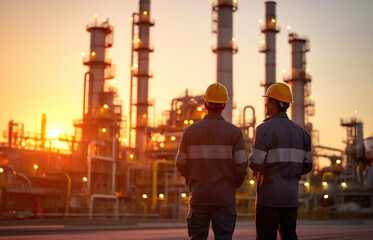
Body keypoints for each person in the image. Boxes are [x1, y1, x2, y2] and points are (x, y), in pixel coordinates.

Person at [176, 82, 248, 240]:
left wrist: (191, 181)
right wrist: (234, 184)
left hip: (199, 195)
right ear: (224, 105)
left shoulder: (190, 132)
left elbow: (180, 163)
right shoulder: (234, 133)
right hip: (224, 197)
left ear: (205, 103)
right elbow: (242, 165)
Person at [249, 82, 312, 240]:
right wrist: (290, 171)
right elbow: (307, 166)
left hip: (268, 198)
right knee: (289, 236)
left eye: (267, 100)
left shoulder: (263, 130)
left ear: (273, 103)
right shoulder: (302, 134)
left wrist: (258, 169)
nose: (265, 104)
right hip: (290, 198)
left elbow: (256, 163)